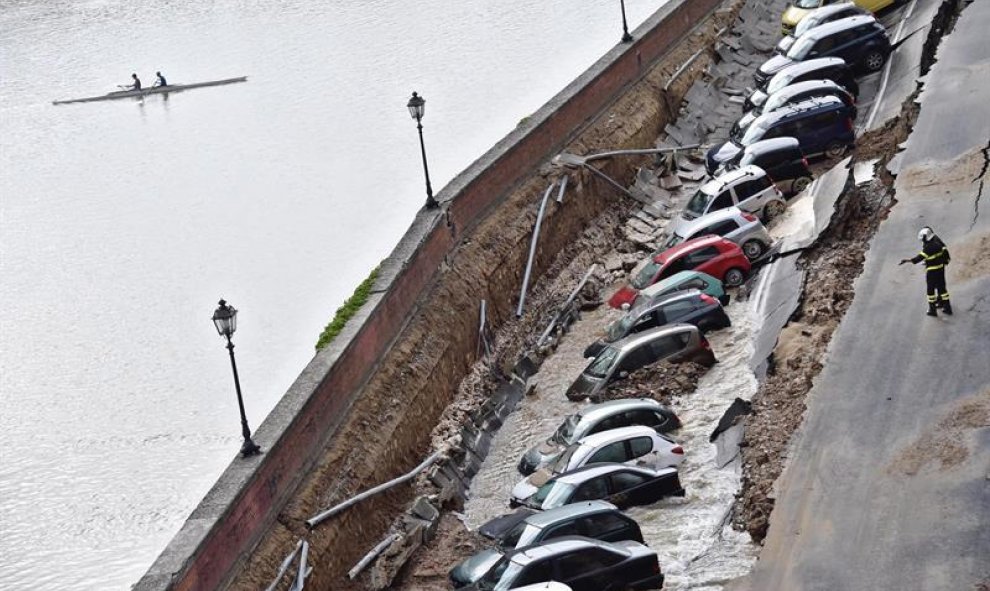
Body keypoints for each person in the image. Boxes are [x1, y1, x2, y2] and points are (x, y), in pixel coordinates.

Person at [899, 226, 952, 316]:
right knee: (942, 288)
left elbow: (917, 259)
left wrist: (906, 260)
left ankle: (932, 310)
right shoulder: (937, 242)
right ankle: (947, 307)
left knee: (930, 291)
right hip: (941, 269)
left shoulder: (928, 248)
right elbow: (942, 254)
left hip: (932, 271)